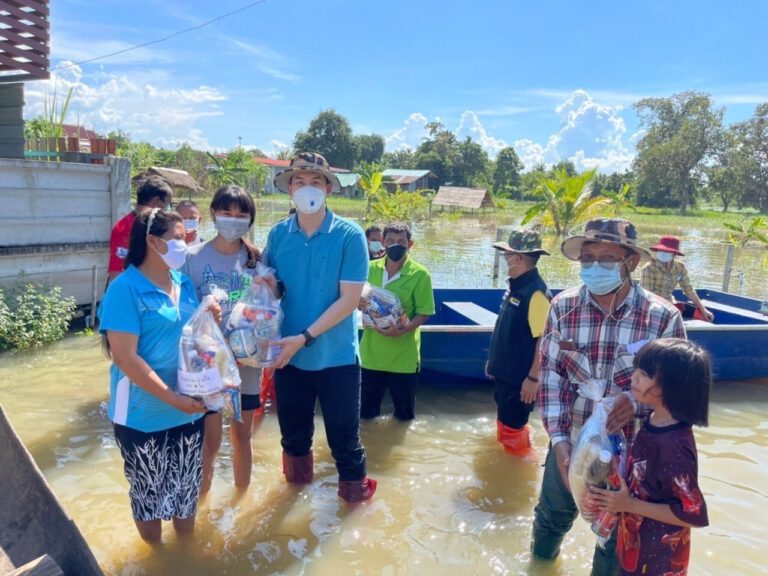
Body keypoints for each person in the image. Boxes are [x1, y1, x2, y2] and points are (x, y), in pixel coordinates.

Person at [531, 218, 686, 575]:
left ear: (630, 262)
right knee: (550, 521)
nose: (594, 266)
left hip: (633, 459)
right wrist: (558, 442)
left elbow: (678, 391)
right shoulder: (563, 308)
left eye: (606, 258)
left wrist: (634, 403)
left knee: (616, 544)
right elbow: (552, 378)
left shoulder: (662, 318)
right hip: (570, 445)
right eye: (587, 258)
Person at [262, 152, 376, 502]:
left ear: (328, 188)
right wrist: (267, 286)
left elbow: (348, 300)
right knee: (293, 437)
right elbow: (276, 288)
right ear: (289, 189)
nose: (307, 188)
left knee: (345, 440)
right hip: (288, 357)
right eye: (299, 181)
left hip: (336, 356)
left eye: (315, 181)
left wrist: (304, 337)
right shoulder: (279, 235)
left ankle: (354, 511)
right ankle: (292, 502)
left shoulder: (348, 235)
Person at [98, 208, 211, 543]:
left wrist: (210, 315)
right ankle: (157, 556)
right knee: (149, 496)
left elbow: (194, 340)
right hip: (141, 414)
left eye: (186, 237)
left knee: (186, 491)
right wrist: (172, 398)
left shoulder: (184, 284)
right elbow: (125, 357)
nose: (185, 244)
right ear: (152, 241)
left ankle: (184, 555)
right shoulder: (125, 289)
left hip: (188, 408)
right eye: (177, 238)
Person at [592, 338, 710, 575]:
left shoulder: (675, 445)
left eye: (644, 373)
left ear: (671, 386)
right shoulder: (655, 419)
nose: (634, 377)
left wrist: (628, 504)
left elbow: (693, 514)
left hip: (659, 561)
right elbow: (645, 475)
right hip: (635, 547)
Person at [183, 185, 262, 494]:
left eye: (241, 215)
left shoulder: (257, 258)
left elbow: (270, 310)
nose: (233, 220)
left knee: (242, 437)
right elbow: (182, 314)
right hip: (207, 365)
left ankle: (242, 501)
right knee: (209, 442)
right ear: (213, 214)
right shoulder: (191, 257)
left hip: (246, 362)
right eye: (226, 213)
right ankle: (201, 507)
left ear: (250, 219)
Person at [359, 221, 435, 421]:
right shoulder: (368, 268)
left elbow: (424, 312)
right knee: (365, 414)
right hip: (371, 354)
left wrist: (403, 329)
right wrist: (358, 303)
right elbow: (355, 299)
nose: (395, 245)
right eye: (390, 240)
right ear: (383, 242)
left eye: (401, 241)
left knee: (404, 416)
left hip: (404, 358)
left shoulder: (420, 274)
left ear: (410, 244)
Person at [486, 227, 550, 456]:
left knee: (512, 431)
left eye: (506, 255)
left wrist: (533, 379)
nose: (504, 259)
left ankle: (521, 470)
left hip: (519, 381)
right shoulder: (516, 286)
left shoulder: (536, 294)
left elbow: (543, 340)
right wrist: (492, 361)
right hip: (505, 374)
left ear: (518, 258)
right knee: (507, 425)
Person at [108, 176, 173, 282]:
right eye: (167, 203)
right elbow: (117, 271)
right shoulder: (125, 227)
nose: (168, 208)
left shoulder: (161, 224)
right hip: (134, 291)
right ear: (157, 201)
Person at [640, 235, 714, 322]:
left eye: (667, 251)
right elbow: (648, 296)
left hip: (671, 303)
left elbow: (689, 290)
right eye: (661, 250)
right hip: (651, 306)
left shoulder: (680, 267)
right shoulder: (649, 268)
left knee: (704, 316)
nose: (663, 253)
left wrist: (703, 310)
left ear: (674, 254)